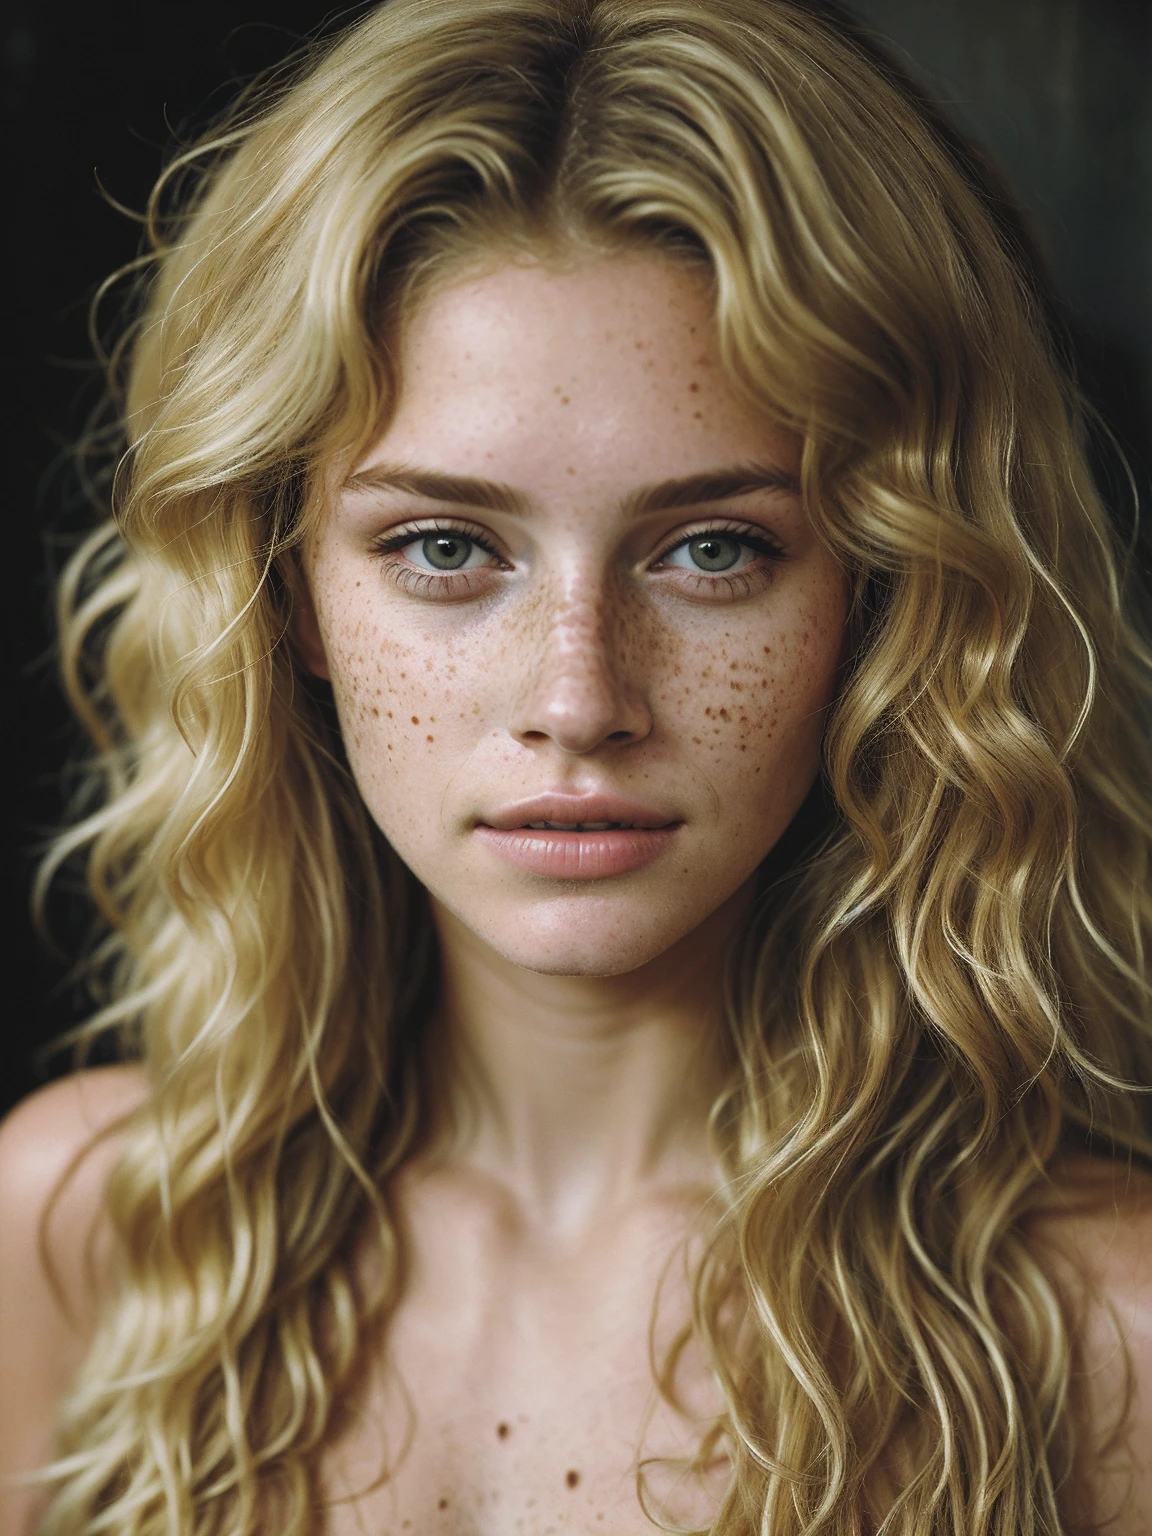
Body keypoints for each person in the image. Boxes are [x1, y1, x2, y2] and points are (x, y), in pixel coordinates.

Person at [2, 0, 1150, 1531]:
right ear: (288, 594)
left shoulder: (1096, 1334)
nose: (579, 698)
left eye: (713, 550)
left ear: (883, 593)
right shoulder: (85, 1230)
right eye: (446, 546)